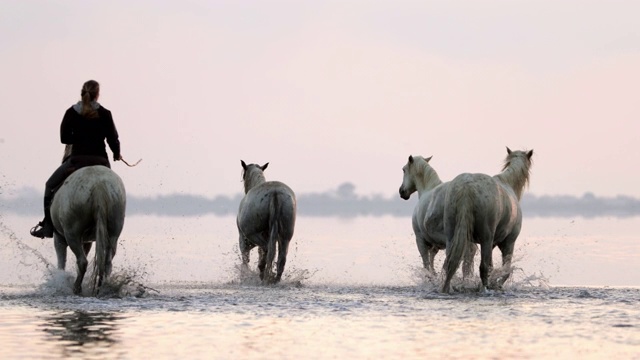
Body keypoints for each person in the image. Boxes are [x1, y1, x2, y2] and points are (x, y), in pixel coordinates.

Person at [30, 80, 122, 238]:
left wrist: (79, 137)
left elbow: (64, 138)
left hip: (77, 161)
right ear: (97, 95)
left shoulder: (71, 112)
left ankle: (48, 226)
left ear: (82, 92)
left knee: (50, 186)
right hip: (101, 161)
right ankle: (114, 222)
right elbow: (113, 138)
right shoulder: (105, 113)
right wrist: (116, 153)